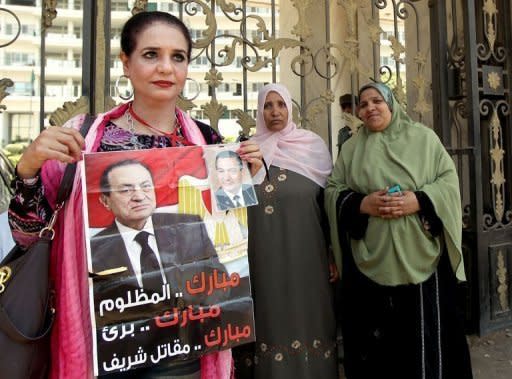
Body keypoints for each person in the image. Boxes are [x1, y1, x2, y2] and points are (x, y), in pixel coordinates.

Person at [8, 11, 262, 379]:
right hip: (105, 347)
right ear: (125, 63)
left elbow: (226, 245)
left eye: (178, 57)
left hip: (185, 345)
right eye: (150, 54)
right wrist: (29, 170)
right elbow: (27, 235)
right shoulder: (83, 138)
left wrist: (244, 178)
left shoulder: (208, 143)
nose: (165, 67)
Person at [325, 82, 473, 379]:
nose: (369, 108)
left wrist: (418, 200)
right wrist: (362, 203)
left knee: (423, 346)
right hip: (370, 259)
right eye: (363, 104)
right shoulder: (352, 148)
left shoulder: (423, 139)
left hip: (420, 258)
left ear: (391, 104)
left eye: (377, 101)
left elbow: (447, 181)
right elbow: (332, 190)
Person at [234, 83, 338, 379]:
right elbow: (230, 205)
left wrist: (334, 253)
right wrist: (249, 174)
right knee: (268, 318)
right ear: (259, 110)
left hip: (309, 256)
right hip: (261, 258)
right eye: (268, 105)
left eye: (281, 104)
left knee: (310, 316)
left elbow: (328, 204)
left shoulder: (313, 148)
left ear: (290, 108)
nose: (275, 111)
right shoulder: (245, 151)